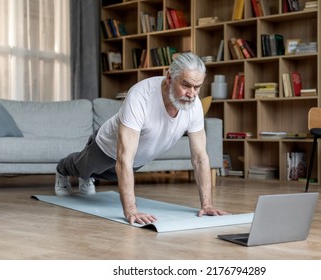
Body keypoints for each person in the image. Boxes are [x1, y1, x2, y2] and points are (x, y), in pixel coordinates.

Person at [55, 52, 230, 225]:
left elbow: (200, 158)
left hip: (137, 159)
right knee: (83, 168)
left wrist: (207, 205)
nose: (192, 94)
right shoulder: (140, 95)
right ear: (169, 77)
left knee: (109, 176)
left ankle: (88, 178)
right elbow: (124, 159)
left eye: (197, 87)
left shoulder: (194, 105)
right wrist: (131, 210)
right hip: (106, 146)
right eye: (186, 85)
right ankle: (62, 169)